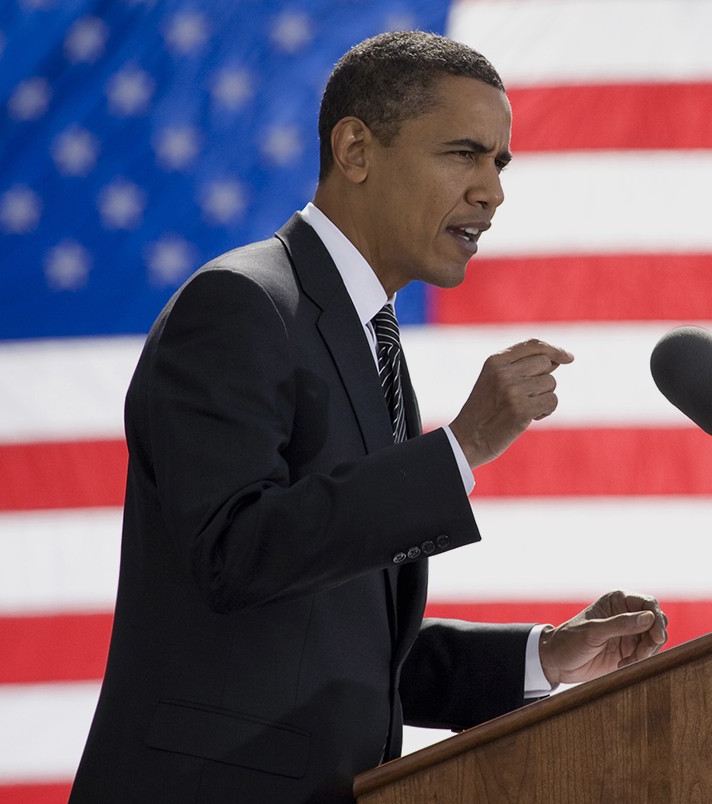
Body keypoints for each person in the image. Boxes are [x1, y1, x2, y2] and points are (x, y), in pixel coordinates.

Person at [69, 30, 668, 803]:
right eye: (464, 154)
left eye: (500, 162)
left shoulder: (368, 339)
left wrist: (545, 656)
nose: (493, 191)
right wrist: (461, 448)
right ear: (355, 148)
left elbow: (342, 639)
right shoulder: (240, 305)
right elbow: (233, 555)